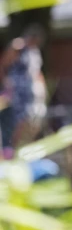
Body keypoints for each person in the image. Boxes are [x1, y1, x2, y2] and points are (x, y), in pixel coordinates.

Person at [0, 26, 47, 158]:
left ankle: (28, 152)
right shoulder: (18, 46)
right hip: (19, 92)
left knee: (33, 122)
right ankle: (12, 153)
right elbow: (3, 65)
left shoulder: (35, 51)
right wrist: (6, 83)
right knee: (20, 121)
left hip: (32, 94)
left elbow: (37, 72)